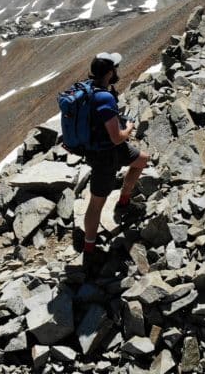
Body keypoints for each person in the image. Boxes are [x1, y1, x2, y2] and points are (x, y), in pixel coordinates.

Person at [80, 52, 150, 256]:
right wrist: (128, 127)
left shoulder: (89, 88)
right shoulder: (103, 98)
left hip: (110, 150)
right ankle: (89, 248)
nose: (117, 72)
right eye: (115, 69)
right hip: (105, 155)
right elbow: (116, 137)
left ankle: (124, 201)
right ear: (110, 72)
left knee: (142, 160)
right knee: (96, 204)